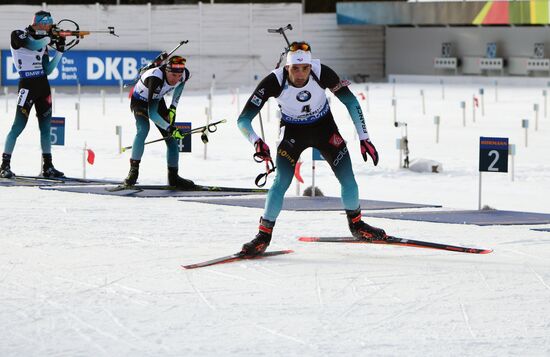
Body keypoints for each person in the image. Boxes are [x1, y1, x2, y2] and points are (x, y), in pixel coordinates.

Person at [237, 41, 386, 256]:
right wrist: (256, 141)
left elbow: (352, 102)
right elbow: (243, 120)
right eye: (295, 68)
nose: (300, 74)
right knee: (281, 182)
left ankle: (357, 226)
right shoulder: (273, 81)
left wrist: (365, 138)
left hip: (324, 128)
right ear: (287, 67)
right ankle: (263, 236)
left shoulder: (322, 72)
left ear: (310, 66)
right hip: (292, 133)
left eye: (304, 68)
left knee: (348, 178)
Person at [0, 11, 66, 178]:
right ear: (40, 23)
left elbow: (48, 69)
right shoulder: (19, 34)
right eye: (48, 22)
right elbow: (32, 45)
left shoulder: (43, 43)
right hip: (27, 85)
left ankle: (48, 166)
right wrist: (49, 39)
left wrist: (59, 52)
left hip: (43, 85)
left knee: (46, 128)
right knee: (18, 126)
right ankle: (4, 165)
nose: (51, 25)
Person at [124, 55, 195, 188]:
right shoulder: (155, 78)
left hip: (157, 100)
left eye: (178, 76)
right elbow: (152, 114)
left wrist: (173, 108)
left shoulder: (184, 74)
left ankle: (173, 177)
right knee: (143, 129)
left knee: (172, 139)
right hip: (140, 102)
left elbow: (180, 86)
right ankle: (133, 172)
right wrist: (170, 127)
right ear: (167, 71)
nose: (176, 79)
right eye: (173, 75)